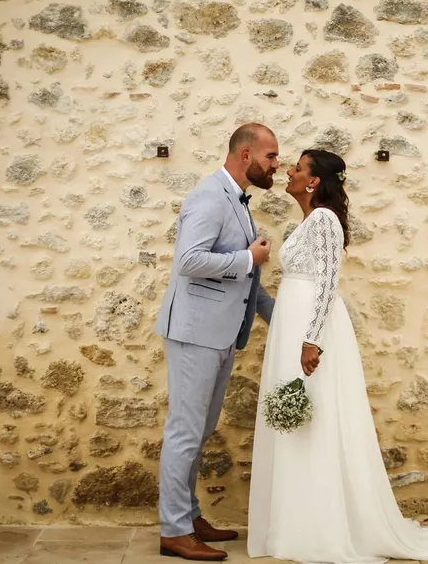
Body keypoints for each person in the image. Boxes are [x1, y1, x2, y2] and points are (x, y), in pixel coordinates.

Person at [247, 149, 428, 564]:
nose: (289, 172)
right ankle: (298, 523)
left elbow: (329, 282)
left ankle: (325, 528)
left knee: (318, 419)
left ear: (313, 181)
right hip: (292, 327)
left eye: (297, 168)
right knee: (296, 420)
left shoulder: (326, 219)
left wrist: (311, 339)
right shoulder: (308, 222)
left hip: (311, 332)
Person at [155, 123, 280, 561]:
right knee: (185, 432)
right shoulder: (210, 196)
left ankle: (188, 517)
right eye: (271, 156)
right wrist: (249, 256)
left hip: (221, 335)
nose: (276, 165)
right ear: (246, 155)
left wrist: (285, 321)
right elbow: (190, 261)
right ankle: (173, 531)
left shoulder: (238, 201)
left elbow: (249, 281)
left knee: (201, 430)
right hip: (195, 334)